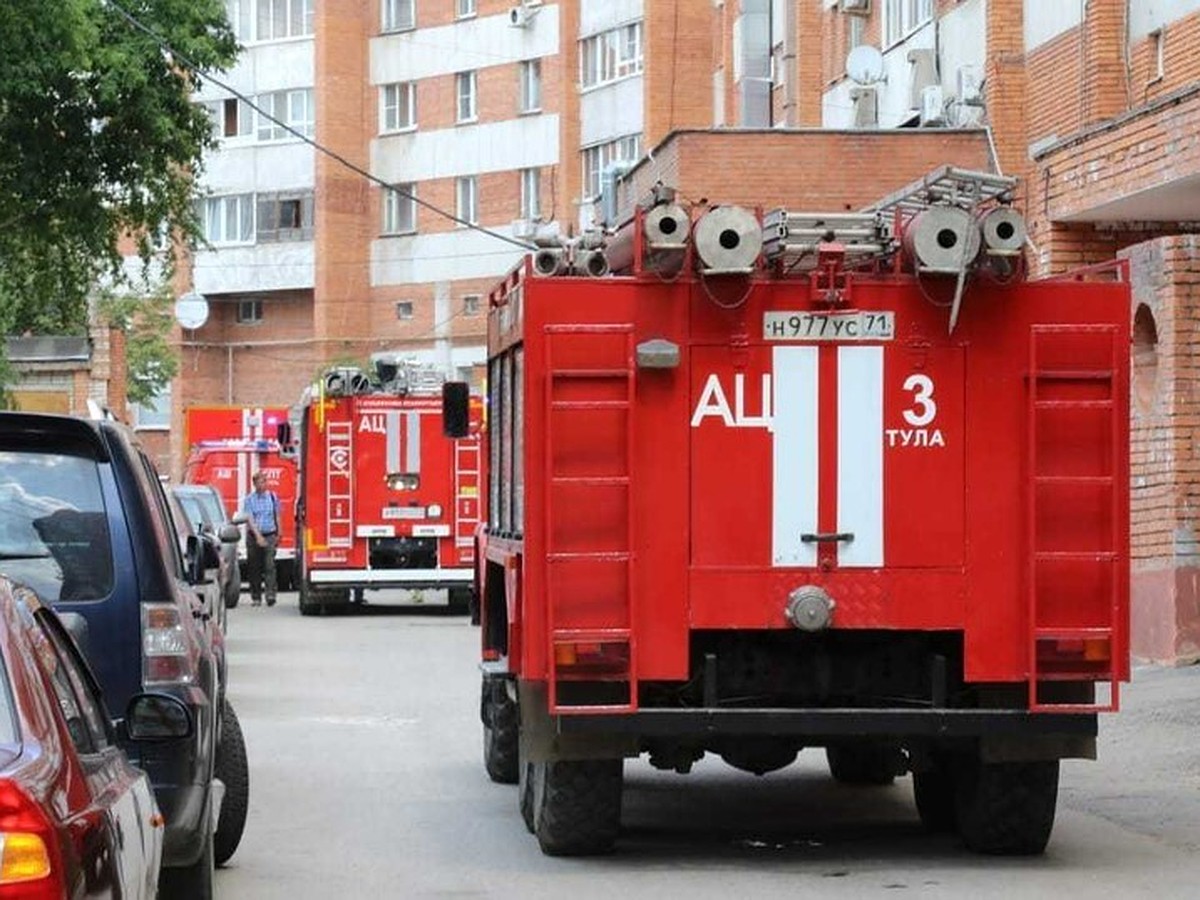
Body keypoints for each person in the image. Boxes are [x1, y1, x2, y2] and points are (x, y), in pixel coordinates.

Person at [242, 472, 280, 607]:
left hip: (270, 534)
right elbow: (250, 520)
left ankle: (270, 595)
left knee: (270, 565)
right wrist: (258, 537)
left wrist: (278, 533)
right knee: (254, 567)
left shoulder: (273, 497)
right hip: (254, 536)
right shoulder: (249, 500)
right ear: (254, 484)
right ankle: (256, 596)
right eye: (259, 482)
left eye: (264, 482)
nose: (262, 485)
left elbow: (277, 515)